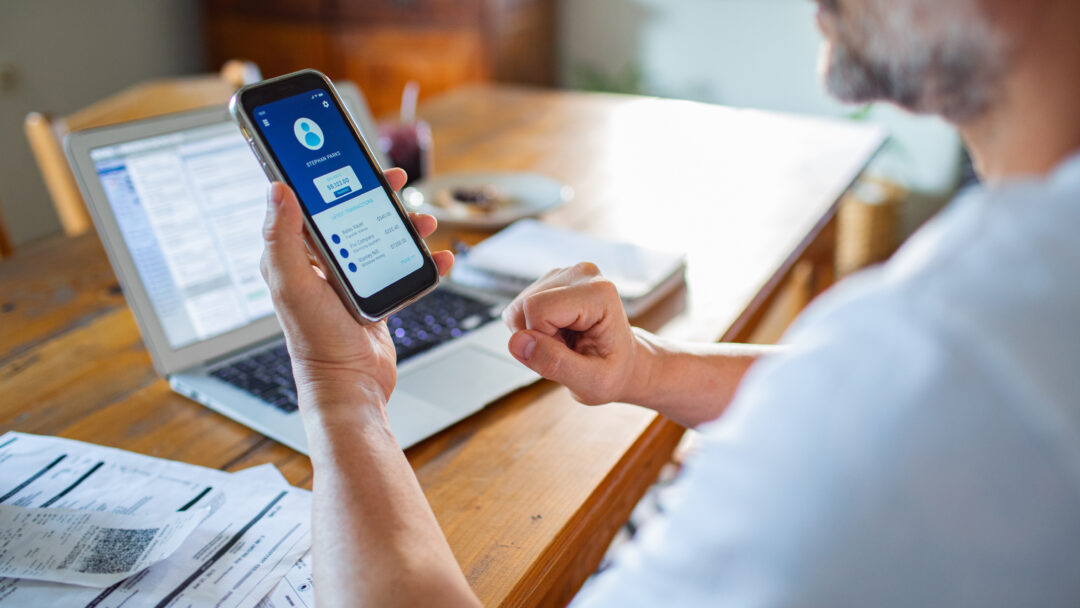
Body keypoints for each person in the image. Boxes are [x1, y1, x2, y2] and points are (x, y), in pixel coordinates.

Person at [259, 0, 1080, 605]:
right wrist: (652, 366)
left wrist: (339, 388)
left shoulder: (946, 352)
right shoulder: (1000, 314)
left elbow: (896, 398)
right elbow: (874, 396)